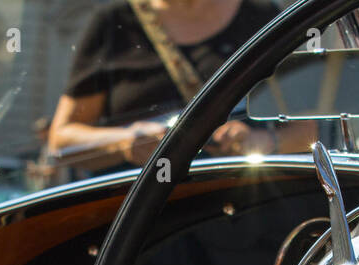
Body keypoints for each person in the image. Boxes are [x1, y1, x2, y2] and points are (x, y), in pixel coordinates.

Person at [48, 0, 302, 172]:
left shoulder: (265, 16)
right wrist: (124, 142)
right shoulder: (111, 23)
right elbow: (62, 142)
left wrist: (259, 141)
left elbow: (307, 132)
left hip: (245, 217)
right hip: (137, 223)